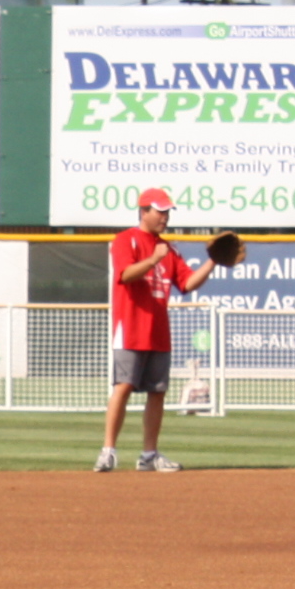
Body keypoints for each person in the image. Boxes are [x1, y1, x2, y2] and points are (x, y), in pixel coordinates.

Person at [96, 186, 212, 472]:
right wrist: (153, 259)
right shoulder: (127, 240)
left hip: (158, 330)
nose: (165, 217)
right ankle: (108, 451)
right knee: (122, 386)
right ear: (143, 211)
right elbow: (125, 274)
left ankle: (149, 455)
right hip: (131, 326)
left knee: (157, 393)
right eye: (160, 211)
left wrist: (213, 262)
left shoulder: (169, 249)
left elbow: (187, 284)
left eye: (167, 211)